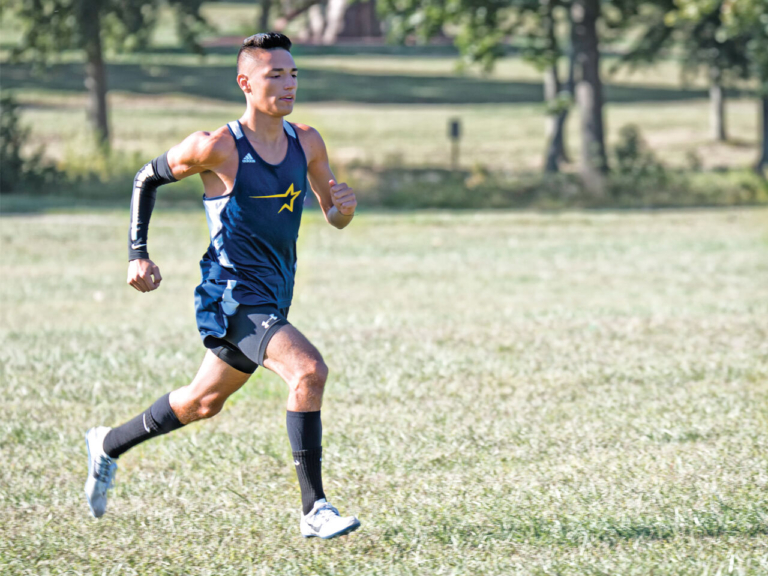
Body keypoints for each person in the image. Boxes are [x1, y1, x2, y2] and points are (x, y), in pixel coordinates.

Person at [83, 32, 360, 540]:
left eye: (293, 73)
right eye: (275, 74)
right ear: (245, 82)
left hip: (272, 296)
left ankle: (107, 444)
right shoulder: (217, 147)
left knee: (200, 403)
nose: (288, 82)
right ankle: (314, 508)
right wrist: (137, 254)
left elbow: (333, 216)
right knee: (309, 370)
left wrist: (343, 207)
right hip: (231, 295)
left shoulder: (308, 142)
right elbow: (146, 177)